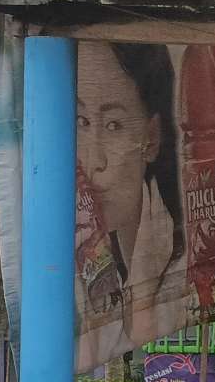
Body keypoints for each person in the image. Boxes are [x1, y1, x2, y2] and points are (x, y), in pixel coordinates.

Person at [75, 41, 187, 350]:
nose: (94, 161)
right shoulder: (82, 253)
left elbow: (138, 336)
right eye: (81, 121)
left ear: (151, 137)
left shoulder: (182, 260)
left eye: (114, 125)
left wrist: (144, 286)